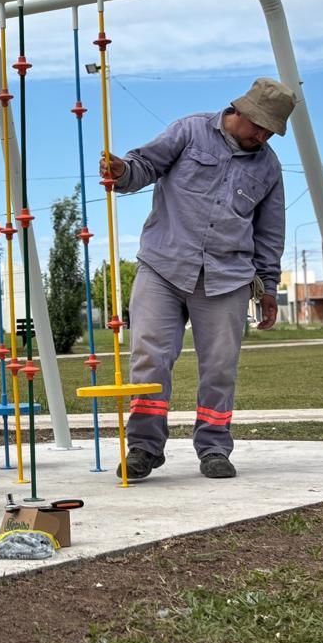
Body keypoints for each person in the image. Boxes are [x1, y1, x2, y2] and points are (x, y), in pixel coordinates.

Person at [99, 77, 295, 479]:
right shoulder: (189, 131)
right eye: (257, 124)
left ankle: (214, 448)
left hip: (228, 279)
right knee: (149, 357)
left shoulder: (269, 166)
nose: (261, 135)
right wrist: (121, 172)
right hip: (163, 266)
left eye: (269, 131)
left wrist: (268, 288)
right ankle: (143, 448)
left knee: (220, 366)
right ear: (238, 110)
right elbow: (144, 165)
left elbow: (270, 233)